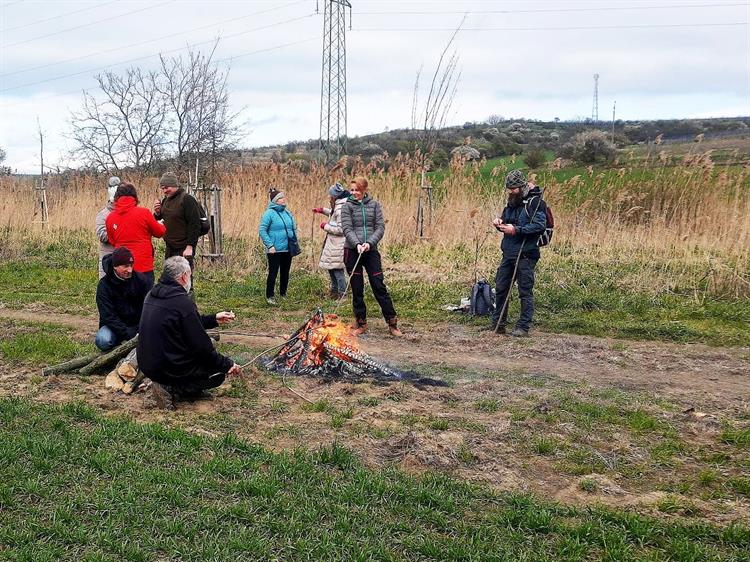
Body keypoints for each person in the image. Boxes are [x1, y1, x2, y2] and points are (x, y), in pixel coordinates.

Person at [137, 256, 241, 410]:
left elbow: (185, 323)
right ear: (184, 276)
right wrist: (226, 365)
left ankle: (167, 383)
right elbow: (202, 346)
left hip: (146, 364)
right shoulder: (182, 303)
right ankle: (174, 388)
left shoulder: (152, 294)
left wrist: (214, 319)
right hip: (168, 367)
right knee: (216, 374)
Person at [340, 176, 402, 337]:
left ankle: (392, 323)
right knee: (357, 288)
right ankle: (361, 322)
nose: (354, 193)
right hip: (353, 251)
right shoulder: (347, 206)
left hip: (370, 250)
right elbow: (347, 228)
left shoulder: (374, 205)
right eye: (352, 190)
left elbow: (380, 227)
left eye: (357, 190)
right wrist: (357, 244)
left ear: (364, 190)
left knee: (378, 285)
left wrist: (369, 243)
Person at [488, 169, 547, 337]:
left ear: (522, 186)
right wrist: (499, 223)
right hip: (508, 253)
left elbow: (539, 226)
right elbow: (507, 221)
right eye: (509, 188)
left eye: (513, 188)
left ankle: (523, 327)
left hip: (526, 254)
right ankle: (498, 324)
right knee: (501, 288)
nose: (510, 191)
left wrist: (517, 230)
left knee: (524, 291)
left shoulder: (536, 203)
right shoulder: (512, 202)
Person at [106, 182, 166, 288]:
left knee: (123, 300)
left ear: (116, 197)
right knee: (145, 300)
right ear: (134, 196)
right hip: (144, 266)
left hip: (121, 267)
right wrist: (161, 224)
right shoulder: (144, 213)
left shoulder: (110, 218)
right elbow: (160, 232)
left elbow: (112, 241)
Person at [95, 247, 150, 351]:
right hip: (114, 327)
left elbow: (149, 308)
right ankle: (118, 346)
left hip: (138, 326)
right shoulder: (104, 286)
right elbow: (107, 316)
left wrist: (138, 329)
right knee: (103, 340)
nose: (130, 270)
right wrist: (126, 333)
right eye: (125, 266)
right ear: (115, 266)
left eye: (131, 265)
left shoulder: (141, 280)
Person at [153, 172, 202, 271]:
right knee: (170, 277)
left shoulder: (187, 199)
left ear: (175, 185)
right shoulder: (166, 200)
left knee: (183, 277)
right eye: (162, 188)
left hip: (183, 247)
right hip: (170, 247)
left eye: (167, 187)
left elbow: (195, 224)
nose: (164, 191)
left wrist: (190, 247)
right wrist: (157, 213)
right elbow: (162, 218)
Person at [258, 187, 298, 305]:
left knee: (285, 272)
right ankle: (270, 296)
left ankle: (283, 294)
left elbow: (293, 228)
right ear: (275, 200)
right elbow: (262, 230)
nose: (283, 199)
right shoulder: (269, 213)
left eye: (283, 197)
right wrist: (270, 245)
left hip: (287, 248)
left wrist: (295, 242)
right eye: (280, 198)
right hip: (274, 249)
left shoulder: (287, 212)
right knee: (273, 272)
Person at [313, 182, 349, 299]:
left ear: (335, 196)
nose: (329, 197)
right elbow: (333, 213)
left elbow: (341, 229)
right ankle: (334, 292)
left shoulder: (341, 208)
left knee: (337, 271)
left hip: (338, 244)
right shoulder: (339, 205)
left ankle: (342, 293)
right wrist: (322, 210)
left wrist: (325, 227)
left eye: (330, 196)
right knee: (331, 268)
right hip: (333, 243)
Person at [95, 176, 120, 279]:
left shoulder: (127, 214)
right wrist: (120, 233)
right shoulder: (103, 214)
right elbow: (102, 235)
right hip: (108, 259)